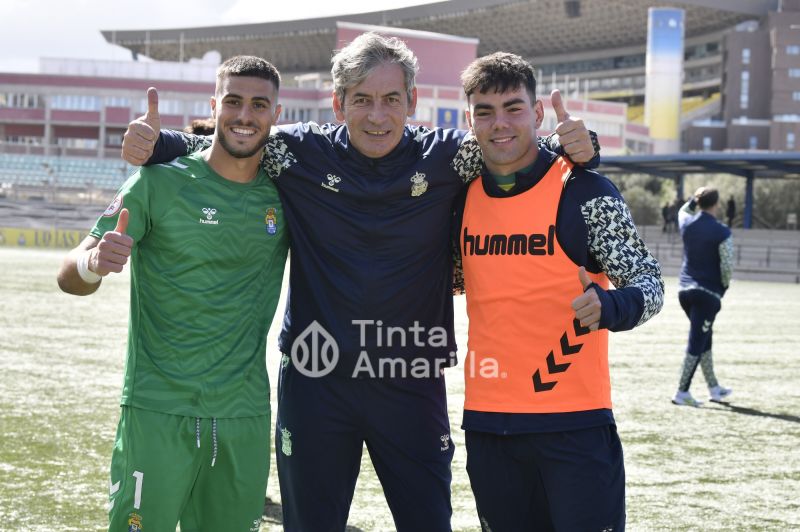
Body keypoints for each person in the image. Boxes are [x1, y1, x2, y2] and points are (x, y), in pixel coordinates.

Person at [122, 33, 598, 531]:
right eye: (362, 100)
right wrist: (160, 143)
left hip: (410, 376)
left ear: (412, 101)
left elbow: (519, 147)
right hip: (316, 380)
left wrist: (589, 148)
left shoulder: (450, 157)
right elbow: (232, 142)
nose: (378, 115)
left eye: (392, 99)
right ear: (338, 102)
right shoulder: (298, 153)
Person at [57, 56, 288, 530]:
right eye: (234, 101)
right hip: (157, 408)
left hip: (243, 415)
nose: (245, 115)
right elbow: (68, 274)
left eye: (258, 104)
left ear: (276, 115)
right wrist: (95, 264)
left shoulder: (286, 196)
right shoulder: (157, 181)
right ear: (214, 106)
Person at [454, 52, 664, 531]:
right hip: (488, 425)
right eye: (484, 112)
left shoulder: (585, 190)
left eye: (513, 108)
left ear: (538, 113)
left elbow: (649, 284)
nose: (499, 123)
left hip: (575, 425)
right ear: (470, 119)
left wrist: (611, 305)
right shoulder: (460, 193)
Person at [672, 186, 734, 407]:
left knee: (705, 338)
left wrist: (693, 198)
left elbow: (682, 211)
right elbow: (727, 265)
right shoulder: (722, 231)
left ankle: (714, 388)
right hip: (707, 294)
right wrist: (723, 287)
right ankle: (682, 392)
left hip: (684, 291)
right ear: (716, 205)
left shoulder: (687, 223)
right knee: (697, 341)